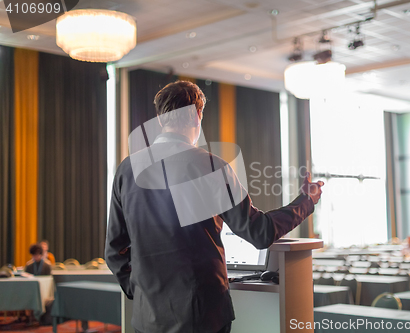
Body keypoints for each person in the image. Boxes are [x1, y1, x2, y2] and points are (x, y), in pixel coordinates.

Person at [105, 80, 324, 333]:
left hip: (147, 319)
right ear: (197, 115)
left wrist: (139, 290)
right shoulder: (212, 166)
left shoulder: (127, 169)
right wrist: (306, 201)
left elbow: (114, 251)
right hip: (201, 315)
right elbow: (259, 232)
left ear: (160, 119)